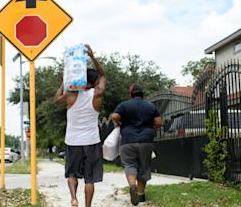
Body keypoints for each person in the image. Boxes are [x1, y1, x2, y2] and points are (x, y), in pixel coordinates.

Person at [54, 44, 106, 207]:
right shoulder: (97, 95)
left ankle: (74, 198)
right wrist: (92, 56)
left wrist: (65, 80)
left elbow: (56, 100)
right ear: (94, 82)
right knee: (90, 178)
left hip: (72, 141)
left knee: (72, 173)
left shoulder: (70, 95)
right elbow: (103, 75)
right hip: (91, 141)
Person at [111, 84, 162, 206]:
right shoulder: (150, 106)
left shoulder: (124, 105)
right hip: (146, 140)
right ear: (142, 94)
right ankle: (141, 195)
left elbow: (115, 116)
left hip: (128, 140)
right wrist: (150, 128)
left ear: (131, 94)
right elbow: (159, 122)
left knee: (130, 165)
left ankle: (132, 185)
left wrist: (118, 124)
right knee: (144, 166)